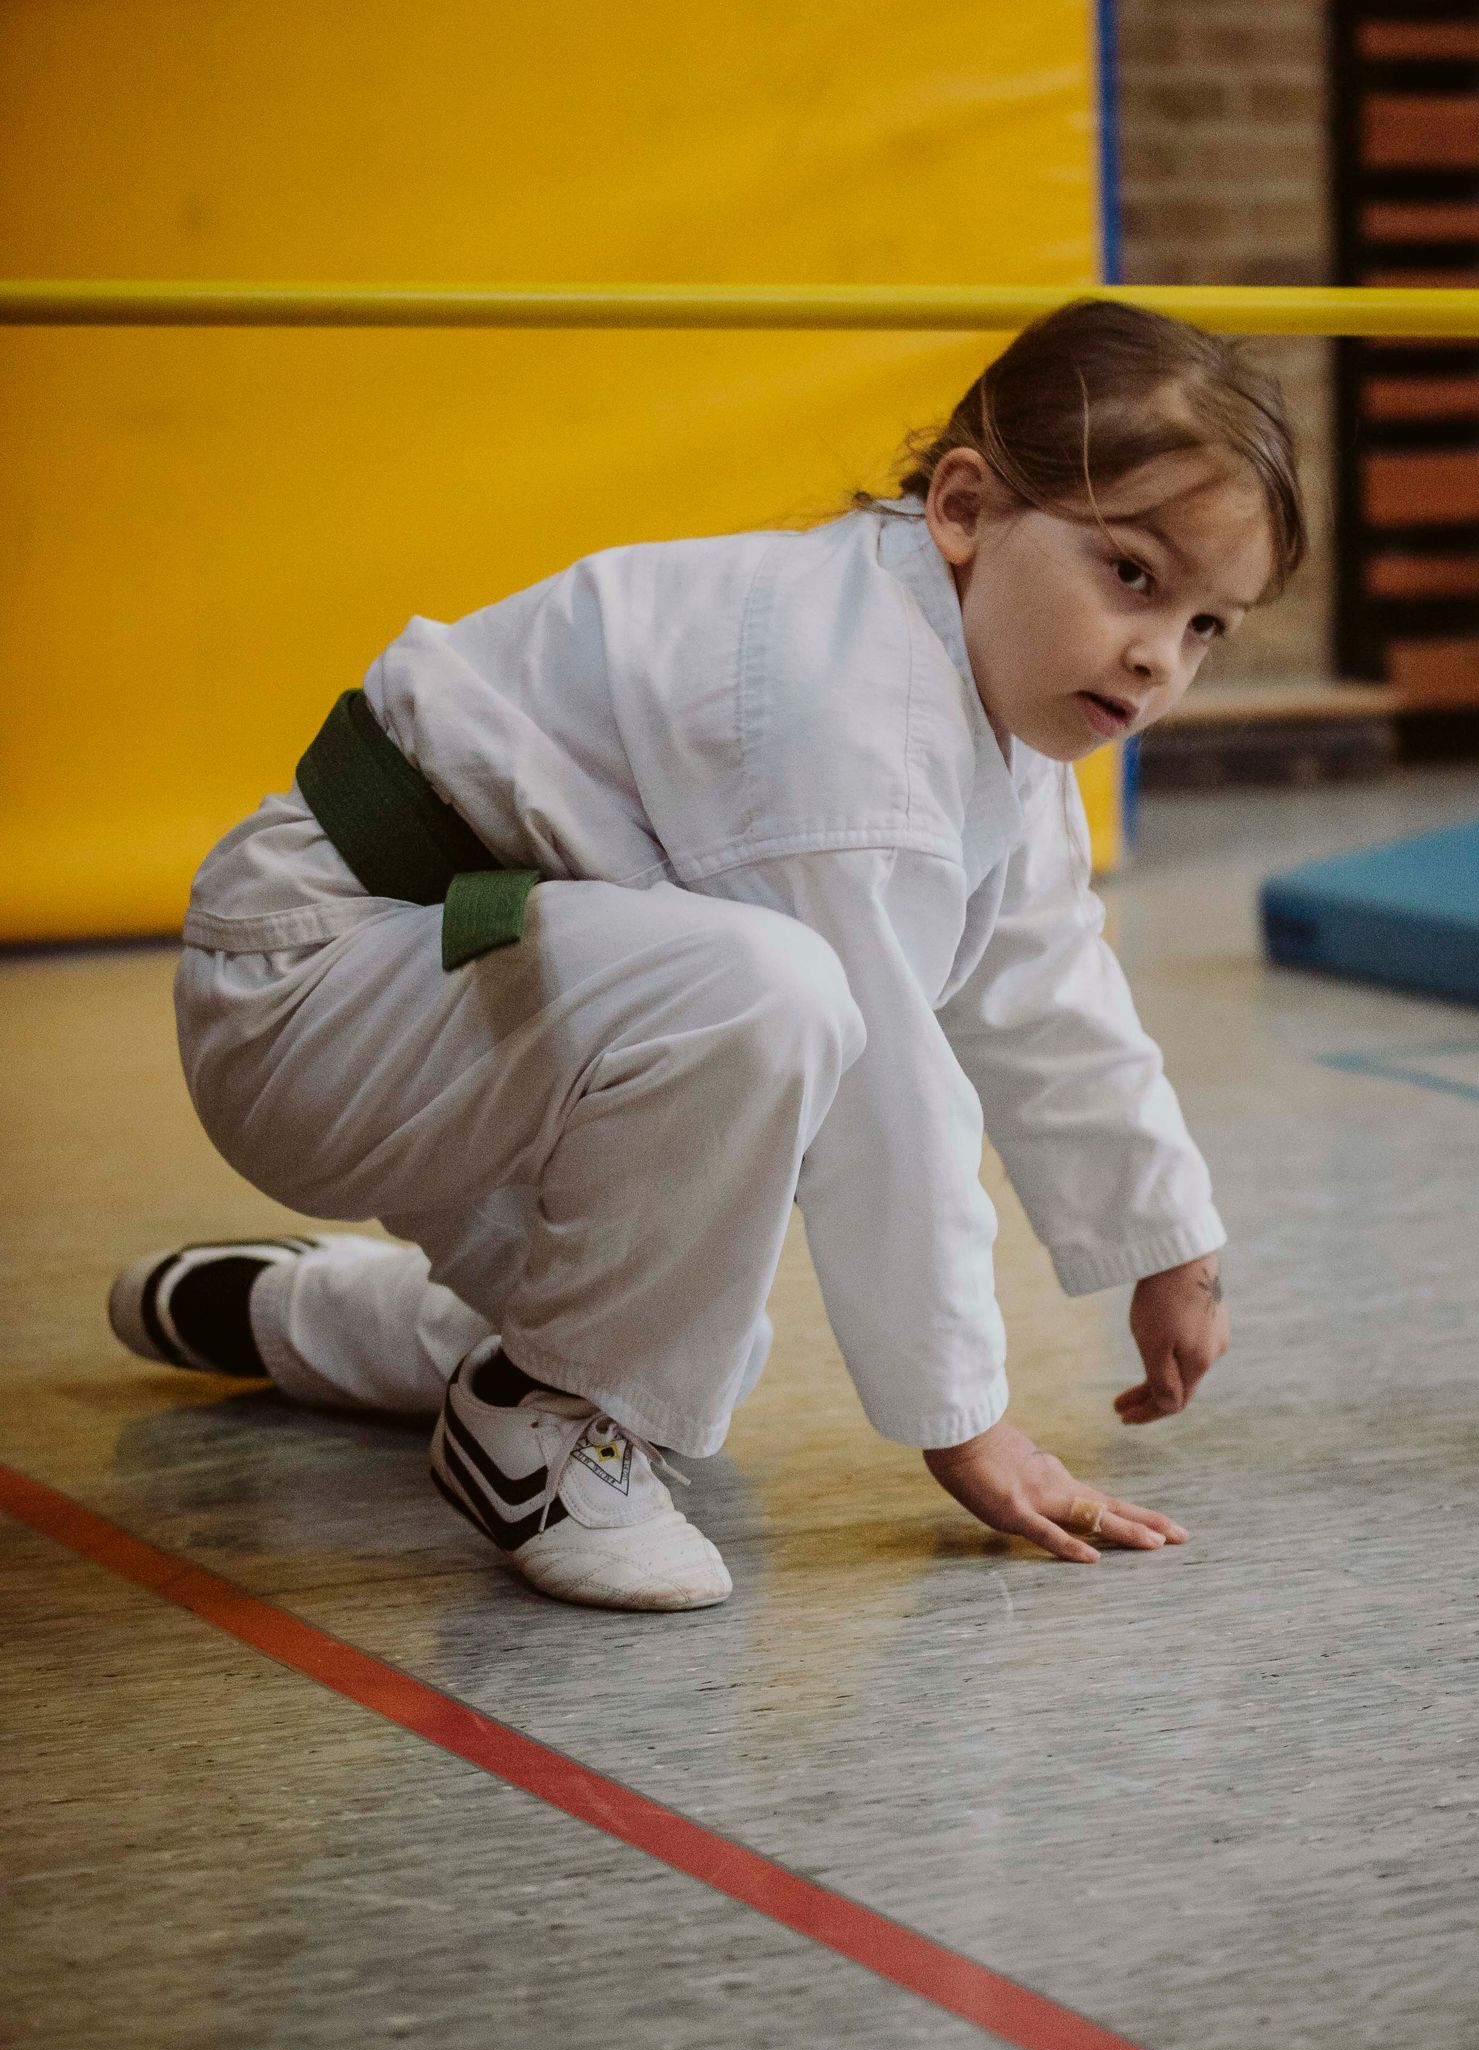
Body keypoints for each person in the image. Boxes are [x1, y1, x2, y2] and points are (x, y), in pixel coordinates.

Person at [109, 300, 1304, 1612]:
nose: (1157, 656)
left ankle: (342, 1323)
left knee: (691, 1346)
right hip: (315, 995)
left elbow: (1046, 986)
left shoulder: (986, 694)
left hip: (463, 992)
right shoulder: (848, 704)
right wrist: (967, 1424)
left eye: (1207, 625)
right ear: (963, 509)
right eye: (1131, 574)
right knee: (778, 1003)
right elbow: (888, 1105)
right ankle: (540, 1424)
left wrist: (1169, 1244)